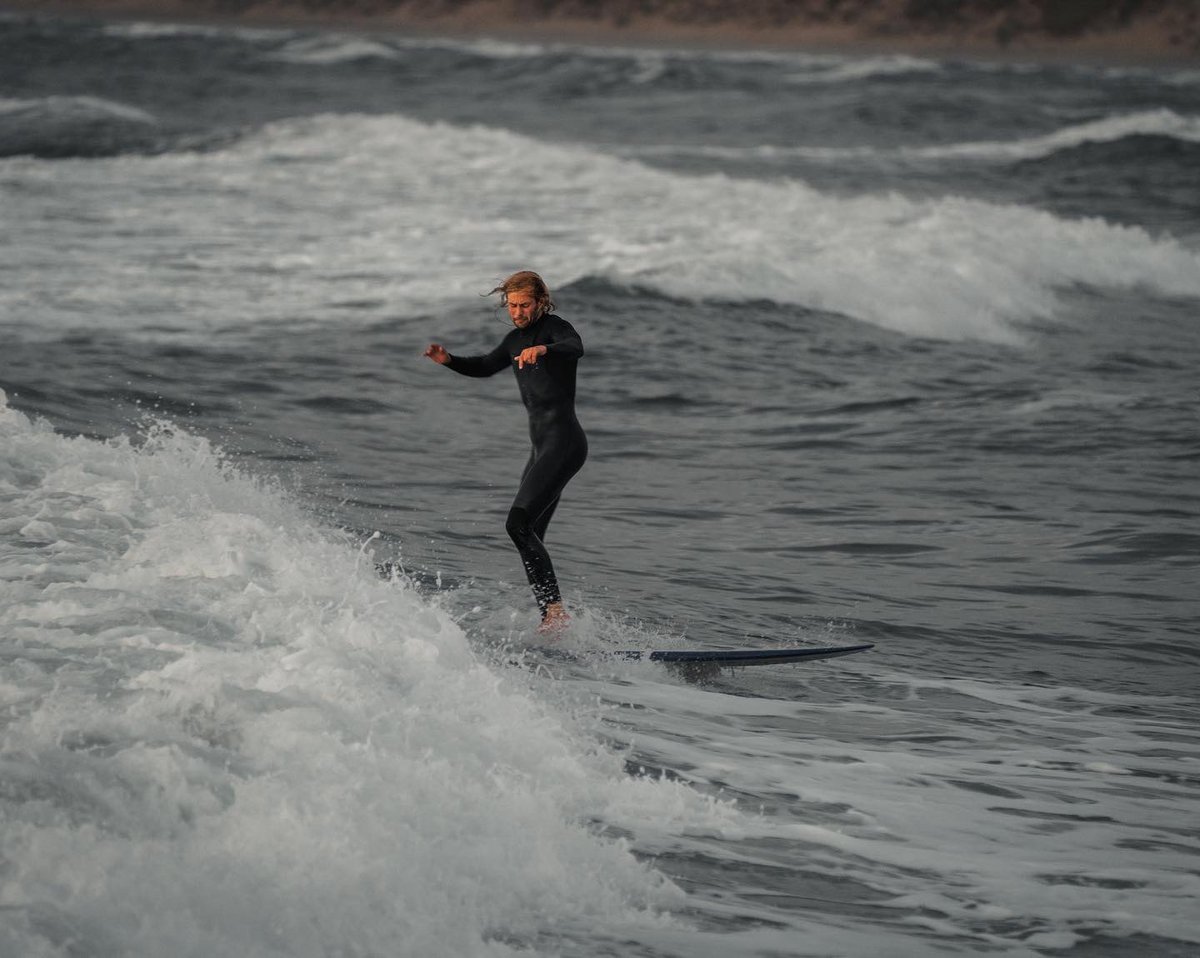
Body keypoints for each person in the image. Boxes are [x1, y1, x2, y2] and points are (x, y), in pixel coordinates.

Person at [425, 271, 587, 633]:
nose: (517, 312)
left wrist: (544, 349)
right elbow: (485, 366)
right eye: (512, 305)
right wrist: (449, 360)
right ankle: (551, 621)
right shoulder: (514, 340)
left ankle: (555, 612)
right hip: (540, 449)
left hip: (564, 444)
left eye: (524, 305)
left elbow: (575, 347)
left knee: (516, 524)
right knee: (529, 533)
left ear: (541, 302)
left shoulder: (556, 329)